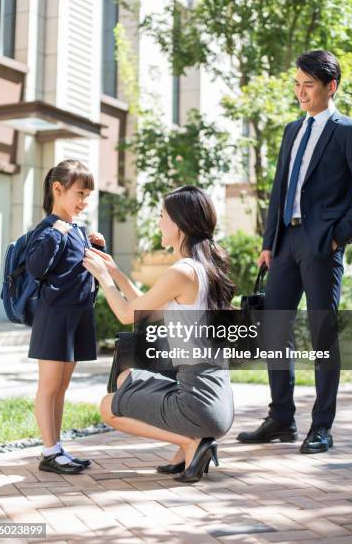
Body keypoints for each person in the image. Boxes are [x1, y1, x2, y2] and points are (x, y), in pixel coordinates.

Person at [237, 50, 352, 454]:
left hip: (321, 246)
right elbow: (280, 189)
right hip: (285, 245)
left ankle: (322, 427)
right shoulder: (291, 131)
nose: (300, 93)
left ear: (330, 87)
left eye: (309, 85)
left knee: (322, 335)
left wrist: (338, 236)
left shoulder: (349, 132)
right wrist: (269, 243)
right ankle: (281, 418)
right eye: (297, 84)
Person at [83, 185, 236, 483]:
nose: (158, 222)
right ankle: (190, 445)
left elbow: (128, 315)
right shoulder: (204, 270)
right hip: (218, 404)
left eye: (161, 216)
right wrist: (116, 273)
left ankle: (190, 443)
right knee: (125, 379)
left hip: (198, 405)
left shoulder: (183, 271)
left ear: (178, 224)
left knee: (108, 407)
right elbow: (146, 309)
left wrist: (102, 279)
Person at [26, 159, 106, 474]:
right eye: (80, 193)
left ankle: (57, 448)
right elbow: (36, 268)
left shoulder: (75, 229)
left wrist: (96, 245)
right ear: (58, 189)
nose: (84, 201)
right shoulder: (49, 228)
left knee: (61, 387)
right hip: (54, 316)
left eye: (88, 194)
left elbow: (81, 272)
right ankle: (49, 451)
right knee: (49, 386)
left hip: (75, 315)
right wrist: (60, 230)